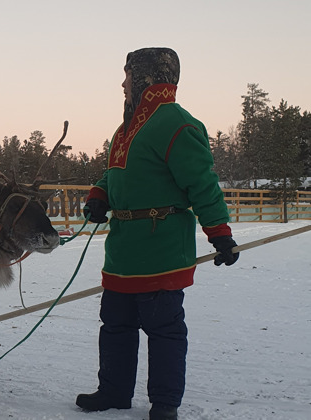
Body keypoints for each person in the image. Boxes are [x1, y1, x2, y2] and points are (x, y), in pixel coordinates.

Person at [76, 47, 239, 420]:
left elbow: (203, 184)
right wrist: (99, 195)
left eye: (128, 74)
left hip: (161, 249)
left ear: (147, 76)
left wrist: (220, 233)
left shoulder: (177, 124)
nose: (123, 83)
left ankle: (164, 403)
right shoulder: (127, 128)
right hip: (122, 252)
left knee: (164, 330)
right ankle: (114, 392)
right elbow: (114, 172)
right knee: (115, 325)